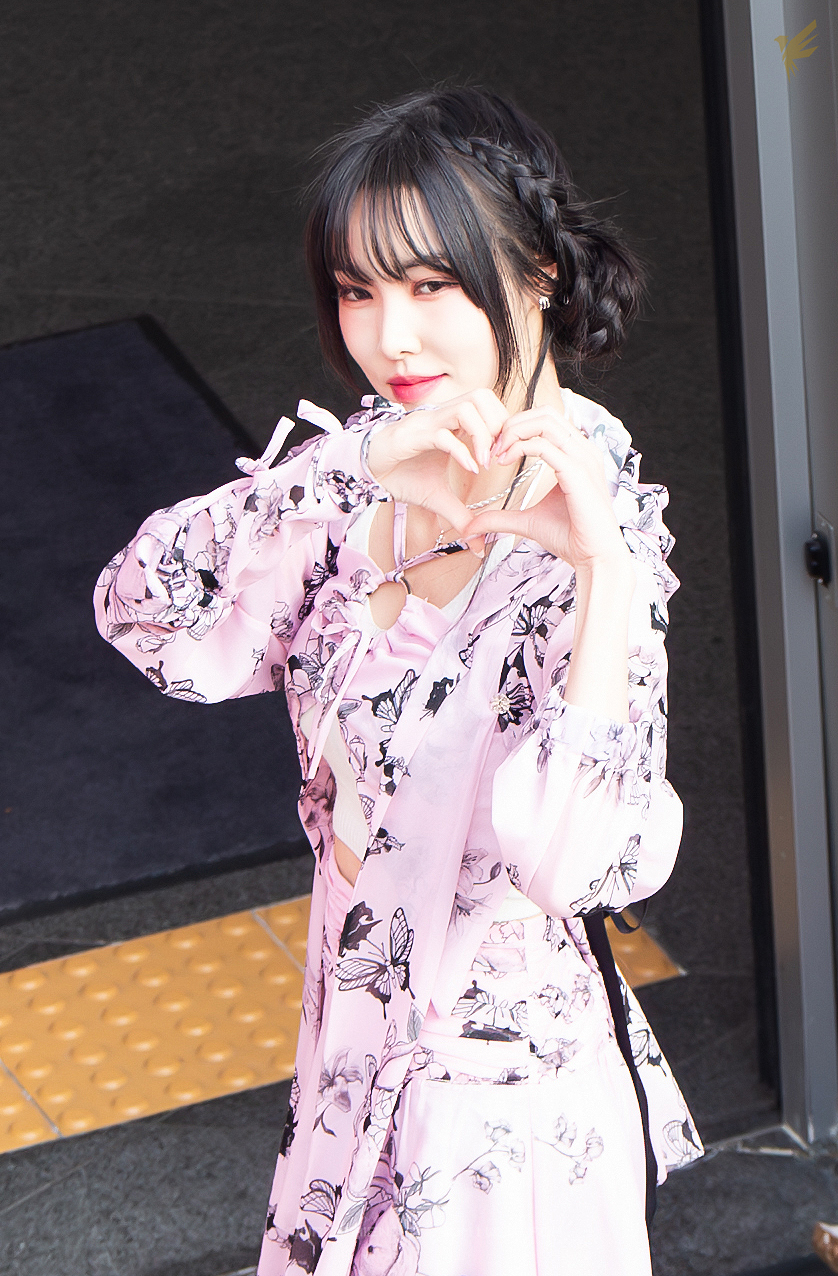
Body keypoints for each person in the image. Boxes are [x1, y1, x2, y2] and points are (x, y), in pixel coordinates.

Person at [94, 85, 702, 1275]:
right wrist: (351, 464)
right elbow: (145, 615)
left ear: (536, 274)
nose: (390, 338)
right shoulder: (368, 470)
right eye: (357, 291)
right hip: (346, 1079)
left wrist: (604, 574)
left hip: (497, 1133)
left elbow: (578, 860)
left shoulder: (602, 529)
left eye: (430, 286)